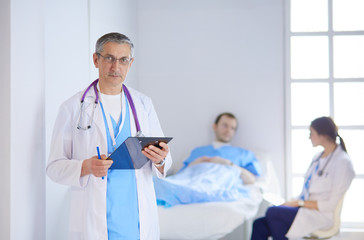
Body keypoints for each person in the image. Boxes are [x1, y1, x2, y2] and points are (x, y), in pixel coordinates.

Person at [46, 32, 172, 240]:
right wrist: (86, 166)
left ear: (130, 63)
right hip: (93, 218)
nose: (116, 67)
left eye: (123, 60)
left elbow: (163, 159)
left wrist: (160, 159)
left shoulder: (143, 105)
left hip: (136, 219)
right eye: (109, 58)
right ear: (96, 60)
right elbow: (53, 168)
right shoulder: (71, 108)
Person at [251, 116, 355, 240]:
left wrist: (299, 203)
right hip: (305, 210)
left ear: (323, 135)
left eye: (311, 133)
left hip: (322, 215)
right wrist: (291, 202)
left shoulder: (342, 162)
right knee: (259, 224)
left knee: (273, 213)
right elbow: (307, 191)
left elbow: (330, 205)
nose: (309, 137)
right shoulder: (317, 158)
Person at [180, 112, 261, 184]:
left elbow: (251, 180)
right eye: (225, 125)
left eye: (232, 128)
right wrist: (196, 163)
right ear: (215, 127)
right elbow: (180, 177)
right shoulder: (197, 152)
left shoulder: (243, 154)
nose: (228, 130)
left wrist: (228, 163)